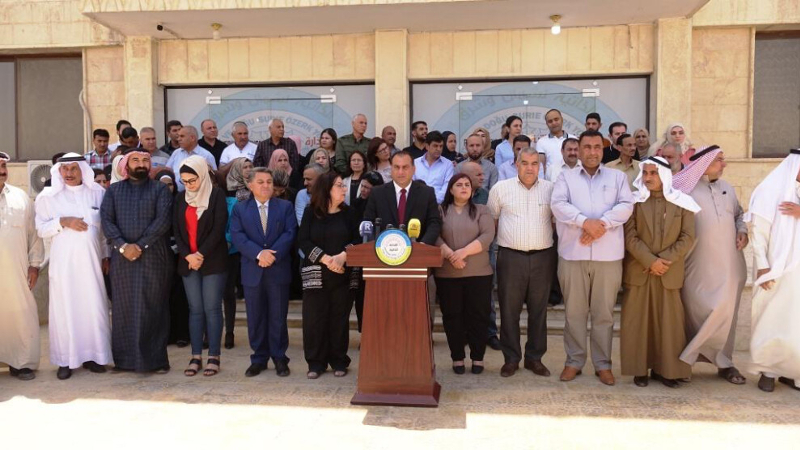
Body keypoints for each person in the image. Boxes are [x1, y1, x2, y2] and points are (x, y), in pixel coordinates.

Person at [551, 130, 635, 386]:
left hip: (608, 257)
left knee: (604, 314)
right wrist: (584, 222)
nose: (592, 152)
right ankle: (574, 361)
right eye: (586, 147)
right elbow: (558, 205)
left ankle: (603, 364)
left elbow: (626, 206)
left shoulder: (617, 177)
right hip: (573, 255)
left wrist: (602, 224)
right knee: (574, 313)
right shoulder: (565, 177)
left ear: (604, 149)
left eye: (597, 147)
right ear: (579, 149)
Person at [672, 145, 749, 385]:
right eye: (719, 160)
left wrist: (743, 230)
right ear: (704, 163)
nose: (724, 164)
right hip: (696, 264)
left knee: (726, 313)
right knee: (694, 311)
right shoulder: (685, 190)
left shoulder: (727, 188)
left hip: (729, 264)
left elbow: (739, 214)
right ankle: (685, 362)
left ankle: (725, 363)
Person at [621, 156, 699, 388]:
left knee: (669, 324)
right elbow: (629, 237)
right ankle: (639, 370)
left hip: (668, 271)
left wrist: (664, 260)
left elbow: (688, 237)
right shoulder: (634, 202)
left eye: (653, 173)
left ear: (664, 175)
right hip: (640, 270)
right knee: (638, 322)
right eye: (645, 173)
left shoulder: (682, 202)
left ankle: (667, 371)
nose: (648, 178)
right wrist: (650, 261)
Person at [35, 153, 113, 380]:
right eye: (65, 169)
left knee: (93, 309)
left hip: (91, 264)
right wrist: (63, 221)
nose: (68, 173)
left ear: (82, 170)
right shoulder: (48, 197)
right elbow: (41, 229)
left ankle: (94, 357)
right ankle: (65, 361)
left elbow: (104, 231)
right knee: (65, 310)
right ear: (58, 171)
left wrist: (106, 256)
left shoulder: (97, 192)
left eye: (73, 169)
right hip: (64, 266)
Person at [100, 147, 174, 373]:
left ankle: (156, 361)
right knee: (123, 308)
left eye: (145, 160)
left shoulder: (160, 190)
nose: (141, 164)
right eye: (136, 160)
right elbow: (107, 221)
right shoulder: (113, 191)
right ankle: (124, 361)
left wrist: (139, 245)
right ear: (126, 165)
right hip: (123, 259)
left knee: (153, 307)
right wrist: (123, 246)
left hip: (154, 257)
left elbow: (163, 221)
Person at [488, 148, 556, 378]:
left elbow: (555, 222)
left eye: (534, 163)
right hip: (510, 257)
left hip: (542, 257)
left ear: (540, 166)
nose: (529, 168)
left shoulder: (551, 190)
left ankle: (534, 358)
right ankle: (511, 359)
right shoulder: (500, 189)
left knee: (538, 311)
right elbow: (493, 222)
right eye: (525, 163)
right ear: (516, 164)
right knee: (509, 310)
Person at [230, 168, 298, 378]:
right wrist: (259, 254)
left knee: (278, 316)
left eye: (269, 181)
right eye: (260, 182)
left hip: (278, 269)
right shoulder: (240, 209)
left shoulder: (285, 207)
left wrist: (272, 255)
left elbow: (290, 232)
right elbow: (237, 236)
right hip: (253, 270)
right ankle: (259, 358)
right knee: (255, 317)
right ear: (250, 185)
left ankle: (280, 358)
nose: (266, 185)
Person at [744, 148, 800, 393]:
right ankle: (768, 372)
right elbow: (758, 231)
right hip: (775, 268)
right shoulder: (771, 190)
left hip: (798, 271)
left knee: (795, 323)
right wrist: (762, 265)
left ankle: (793, 373)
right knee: (772, 319)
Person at [298, 172, 359, 378]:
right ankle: (315, 363)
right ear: (326, 189)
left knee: (339, 319)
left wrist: (342, 257)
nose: (344, 189)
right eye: (339, 185)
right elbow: (303, 241)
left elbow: (357, 240)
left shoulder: (349, 213)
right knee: (314, 319)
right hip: (316, 273)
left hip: (343, 273)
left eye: (343, 185)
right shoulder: (311, 212)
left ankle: (339, 360)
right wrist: (326, 259)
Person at [173, 156, 229, 377]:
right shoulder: (180, 198)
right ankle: (195, 356)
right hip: (188, 261)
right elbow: (176, 231)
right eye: (184, 181)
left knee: (212, 308)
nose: (189, 185)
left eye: (192, 180)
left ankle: (213, 356)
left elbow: (218, 229)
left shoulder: (216, 195)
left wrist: (200, 254)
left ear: (202, 176)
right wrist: (188, 255)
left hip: (212, 260)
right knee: (195, 309)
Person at [436, 173, 495, 375]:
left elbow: (488, 235)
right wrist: (450, 255)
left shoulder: (482, 210)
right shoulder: (440, 211)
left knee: (478, 316)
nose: (464, 188)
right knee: (452, 317)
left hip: (478, 274)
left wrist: (462, 253)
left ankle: (478, 357)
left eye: (467, 185)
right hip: (448, 274)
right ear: (451, 189)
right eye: (459, 184)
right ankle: (457, 357)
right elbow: (434, 235)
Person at [0, 151, 44, 381]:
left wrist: (34, 265)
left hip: (16, 271)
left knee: (21, 314)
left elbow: (33, 235)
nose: (2, 171)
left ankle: (23, 363)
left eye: (3, 166)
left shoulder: (21, 198)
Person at [363, 151, 441, 245]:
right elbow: (368, 222)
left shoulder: (427, 193)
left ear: (414, 169)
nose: (400, 172)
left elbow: (434, 223)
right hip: (384, 249)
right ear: (391, 169)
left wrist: (423, 245)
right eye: (397, 167)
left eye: (405, 167)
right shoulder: (377, 193)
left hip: (417, 250)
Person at [153, 168, 190, 348]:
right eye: (163, 185)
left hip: (179, 255)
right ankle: (166, 335)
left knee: (180, 296)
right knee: (162, 297)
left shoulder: (180, 202)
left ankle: (182, 334)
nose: (167, 188)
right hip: (159, 256)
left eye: (170, 184)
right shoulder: (152, 203)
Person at [220, 158, 253, 349]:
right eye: (244, 167)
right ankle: (221, 332)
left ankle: (234, 332)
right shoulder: (227, 193)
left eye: (250, 166)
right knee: (223, 293)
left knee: (237, 291)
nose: (247, 170)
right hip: (225, 249)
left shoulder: (256, 189)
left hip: (245, 248)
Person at [166, 125, 218, 191]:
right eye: (178, 136)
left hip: (198, 193)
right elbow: (168, 170)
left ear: (192, 138)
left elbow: (213, 178)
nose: (178, 139)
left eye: (182, 136)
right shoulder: (176, 152)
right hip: (176, 194)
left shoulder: (206, 155)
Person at [414, 130, 454, 204]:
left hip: (438, 205)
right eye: (435, 146)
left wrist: (432, 202)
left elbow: (446, 188)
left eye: (441, 146)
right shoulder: (415, 163)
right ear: (427, 146)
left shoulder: (448, 164)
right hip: (417, 203)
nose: (438, 149)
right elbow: (411, 185)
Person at [537, 109, 577, 182]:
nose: (554, 123)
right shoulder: (541, 142)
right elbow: (541, 167)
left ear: (562, 120)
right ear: (546, 124)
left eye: (556, 119)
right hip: (551, 182)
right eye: (550, 121)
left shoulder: (574, 139)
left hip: (573, 180)